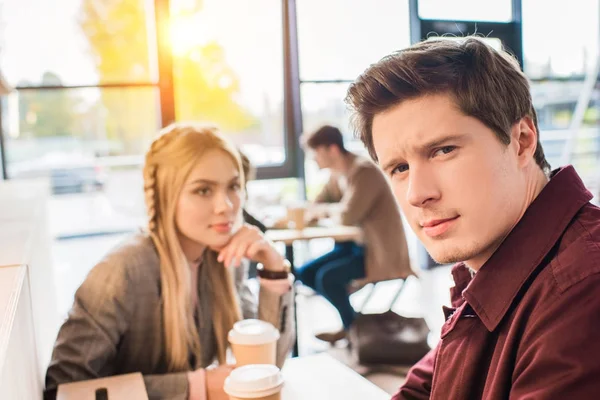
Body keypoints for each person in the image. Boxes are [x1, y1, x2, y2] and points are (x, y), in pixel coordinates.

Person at [345, 36, 600, 399]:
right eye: (399, 168)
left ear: (522, 141)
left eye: (443, 150)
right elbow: (423, 389)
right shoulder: (495, 267)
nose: (417, 194)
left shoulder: (582, 285)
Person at [44, 123, 295, 400]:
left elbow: (266, 370)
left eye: (233, 186)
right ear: (166, 196)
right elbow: (63, 392)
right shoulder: (121, 271)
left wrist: (274, 269)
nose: (226, 206)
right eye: (203, 190)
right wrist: (195, 386)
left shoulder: (223, 260)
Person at [296, 125, 413, 344]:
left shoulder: (364, 171)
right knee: (305, 273)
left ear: (331, 149)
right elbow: (315, 206)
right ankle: (353, 323)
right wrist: (321, 210)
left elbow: (347, 216)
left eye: (315, 152)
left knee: (327, 278)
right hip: (352, 247)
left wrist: (324, 211)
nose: (312, 159)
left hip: (378, 253)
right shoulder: (337, 175)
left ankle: (354, 330)